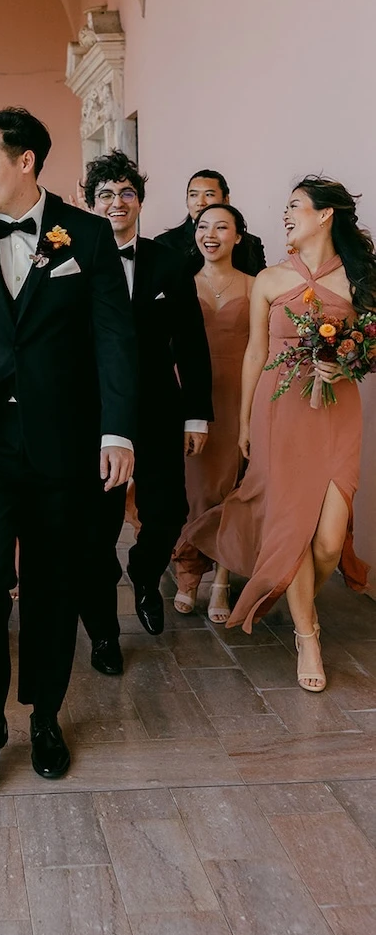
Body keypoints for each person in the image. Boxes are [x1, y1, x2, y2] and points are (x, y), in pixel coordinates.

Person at [0, 108, 137, 796]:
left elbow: (114, 338)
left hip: (63, 443)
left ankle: (45, 715)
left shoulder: (88, 235)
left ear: (25, 162)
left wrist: (117, 431)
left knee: (52, 585)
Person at [182, 177, 372, 691]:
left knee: (328, 542)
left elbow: (370, 347)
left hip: (337, 415)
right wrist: (245, 421)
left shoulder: (358, 278)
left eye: (295, 206)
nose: (285, 214)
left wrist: (348, 365)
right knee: (290, 528)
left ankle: (293, 592)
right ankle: (307, 635)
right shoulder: (269, 279)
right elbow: (255, 354)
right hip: (278, 414)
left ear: (325, 215)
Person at [83, 151, 212, 669]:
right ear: (90, 204)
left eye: (127, 193)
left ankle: (143, 572)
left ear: (140, 200)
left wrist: (196, 414)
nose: (117, 202)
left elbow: (192, 345)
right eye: (106, 195)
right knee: (98, 526)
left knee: (169, 512)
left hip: (158, 407)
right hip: (95, 412)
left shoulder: (169, 263)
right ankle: (104, 634)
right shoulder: (71, 261)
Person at [171, 205, 254, 621]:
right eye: (203, 226)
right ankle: (187, 575)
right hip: (191, 398)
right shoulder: (179, 282)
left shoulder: (256, 285)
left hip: (239, 396)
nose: (210, 234)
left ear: (237, 236)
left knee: (232, 489)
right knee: (194, 490)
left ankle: (221, 580)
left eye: (222, 227)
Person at [156, 169, 267, 277]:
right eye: (193, 195)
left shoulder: (251, 244)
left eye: (209, 195)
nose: (200, 202)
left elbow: (262, 284)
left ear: (226, 199)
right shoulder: (166, 244)